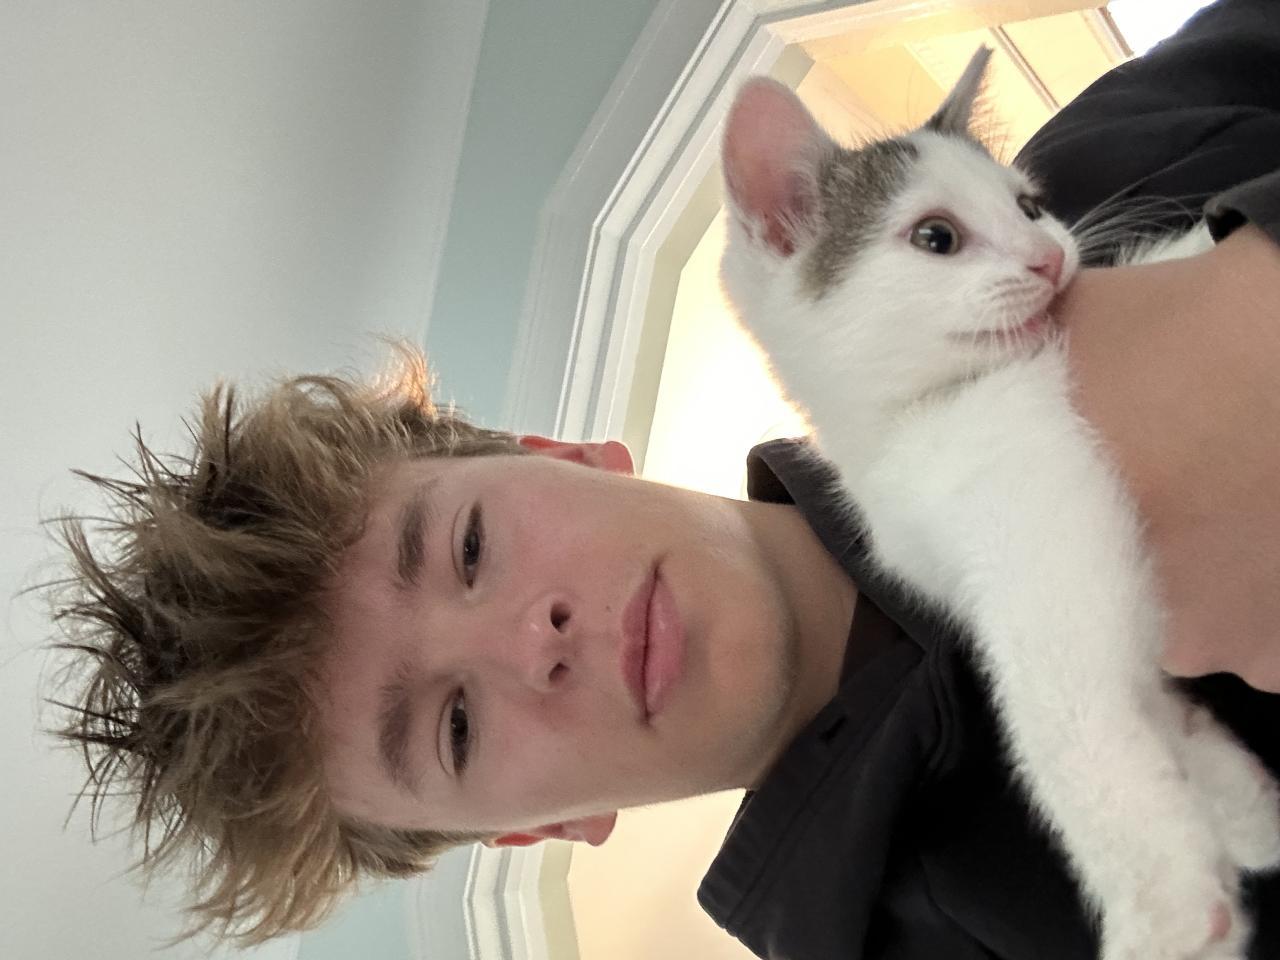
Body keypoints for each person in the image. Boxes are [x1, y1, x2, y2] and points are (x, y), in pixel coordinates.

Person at [45, 0, 1279, 957]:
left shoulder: (1079, 175)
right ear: (535, 831)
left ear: (563, 454)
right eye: (454, 725)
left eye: (468, 549)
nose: (533, 640)